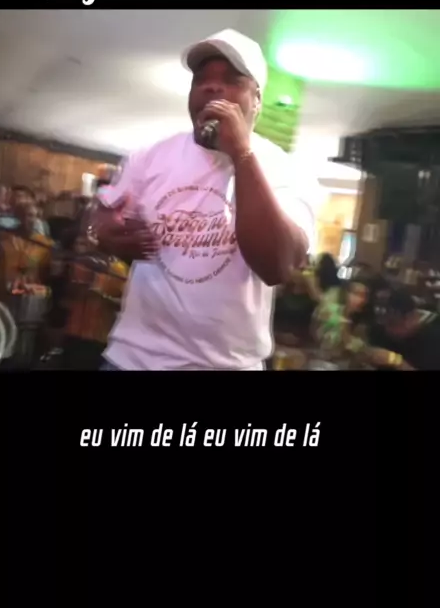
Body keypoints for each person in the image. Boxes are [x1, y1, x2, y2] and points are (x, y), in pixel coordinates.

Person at [93, 29, 316, 371]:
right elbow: (101, 214)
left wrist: (241, 154)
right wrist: (104, 234)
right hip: (134, 360)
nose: (212, 87)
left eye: (231, 80)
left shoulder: (286, 170)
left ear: (257, 99)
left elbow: (277, 265)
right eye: (201, 80)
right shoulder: (149, 156)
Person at [366, 287, 440, 370]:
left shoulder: (434, 339)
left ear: (411, 317)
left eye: (392, 324)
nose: (388, 329)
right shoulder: (379, 332)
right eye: (384, 324)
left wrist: (397, 362)